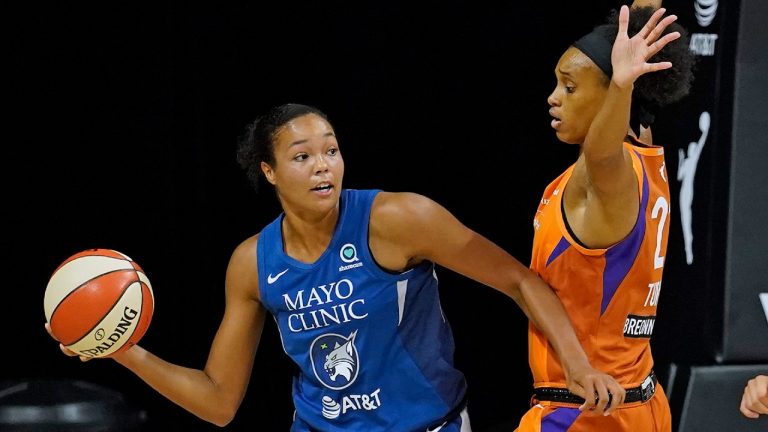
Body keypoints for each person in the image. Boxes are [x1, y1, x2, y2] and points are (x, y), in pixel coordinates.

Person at [46, 102, 626, 431]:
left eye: (331, 149)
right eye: (302, 157)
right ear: (269, 173)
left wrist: (576, 367)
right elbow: (220, 402)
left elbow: (520, 280)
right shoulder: (253, 263)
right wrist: (123, 350)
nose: (324, 166)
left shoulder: (398, 219)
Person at [515, 1, 695, 431]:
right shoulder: (646, 152)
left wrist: (622, 84)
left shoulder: (604, 174)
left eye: (570, 88)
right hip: (643, 404)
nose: (553, 98)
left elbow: (600, 150)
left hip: (585, 413)